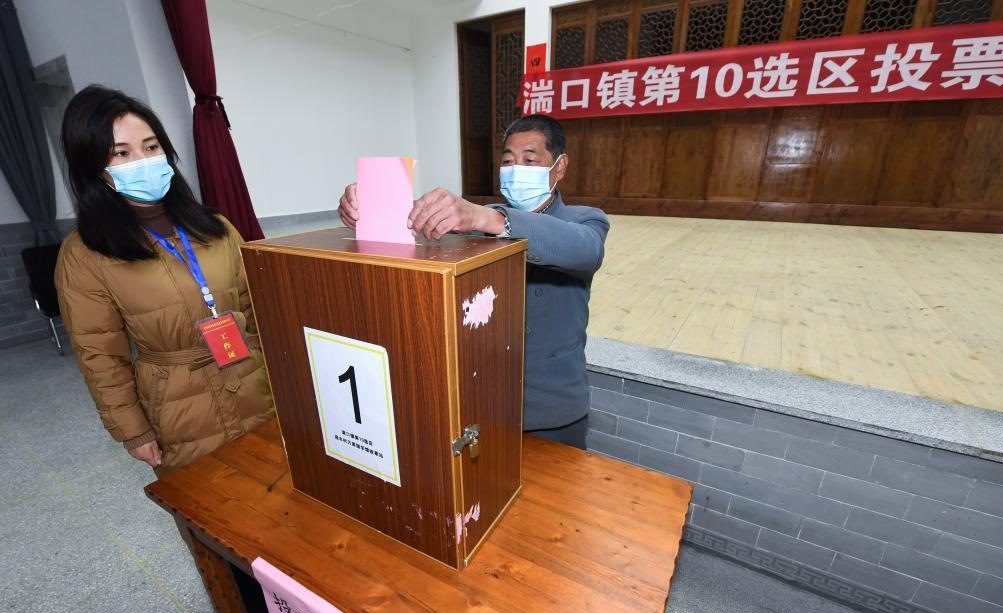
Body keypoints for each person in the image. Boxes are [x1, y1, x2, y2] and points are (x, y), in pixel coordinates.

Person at [339, 114, 608, 449]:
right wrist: (367, 207)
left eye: (529, 160)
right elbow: (417, 223)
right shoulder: (481, 221)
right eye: (508, 161)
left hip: (552, 409)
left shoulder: (583, 220)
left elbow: (584, 249)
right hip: (486, 405)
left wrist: (487, 218)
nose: (516, 169)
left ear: (560, 166)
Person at [55, 85, 275, 476]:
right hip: (178, 409)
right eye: (121, 153)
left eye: (151, 146)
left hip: (251, 383)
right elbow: (100, 354)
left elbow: (255, 311)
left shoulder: (216, 227)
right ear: (93, 168)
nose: (142, 161)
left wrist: (274, 377)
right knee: (209, 504)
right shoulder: (86, 252)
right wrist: (133, 430)